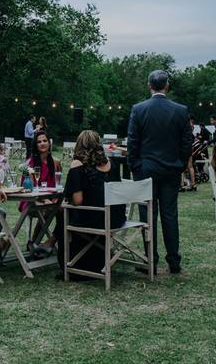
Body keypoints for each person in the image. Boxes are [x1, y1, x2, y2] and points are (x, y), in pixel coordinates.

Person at [127, 70, 192, 275]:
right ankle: (174, 261)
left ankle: (151, 261)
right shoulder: (180, 111)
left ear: (149, 86)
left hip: (146, 170)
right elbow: (187, 143)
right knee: (170, 215)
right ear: (167, 86)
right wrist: (180, 164)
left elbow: (132, 142)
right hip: (171, 169)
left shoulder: (139, 109)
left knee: (148, 216)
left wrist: (135, 167)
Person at [54, 130, 126, 279]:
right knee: (64, 212)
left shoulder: (77, 164)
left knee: (62, 213)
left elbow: (78, 201)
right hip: (116, 218)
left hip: (95, 219)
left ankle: (70, 263)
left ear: (79, 145)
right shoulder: (110, 164)